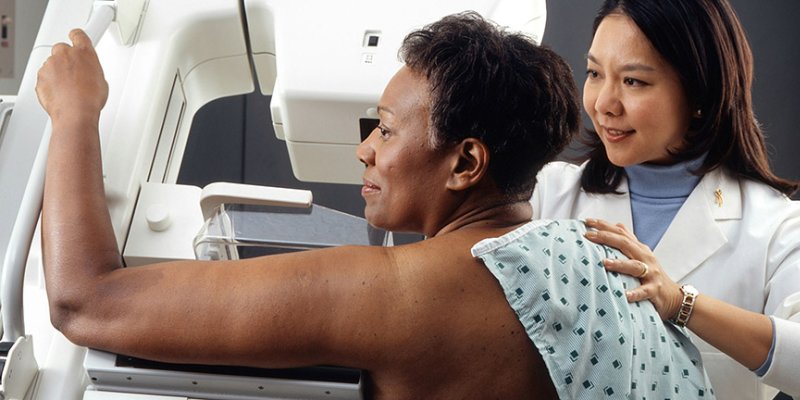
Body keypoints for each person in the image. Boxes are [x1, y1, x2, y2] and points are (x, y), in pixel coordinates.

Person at [37, 12, 714, 399]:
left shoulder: (403, 293)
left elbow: (85, 301)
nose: (366, 151)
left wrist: (76, 115)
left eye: (386, 129)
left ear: (467, 163)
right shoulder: (602, 260)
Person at [530, 0, 800, 398]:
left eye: (633, 81)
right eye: (594, 73)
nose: (604, 104)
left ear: (698, 93)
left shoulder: (775, 226)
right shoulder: (545, 195)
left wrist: (681, 304)